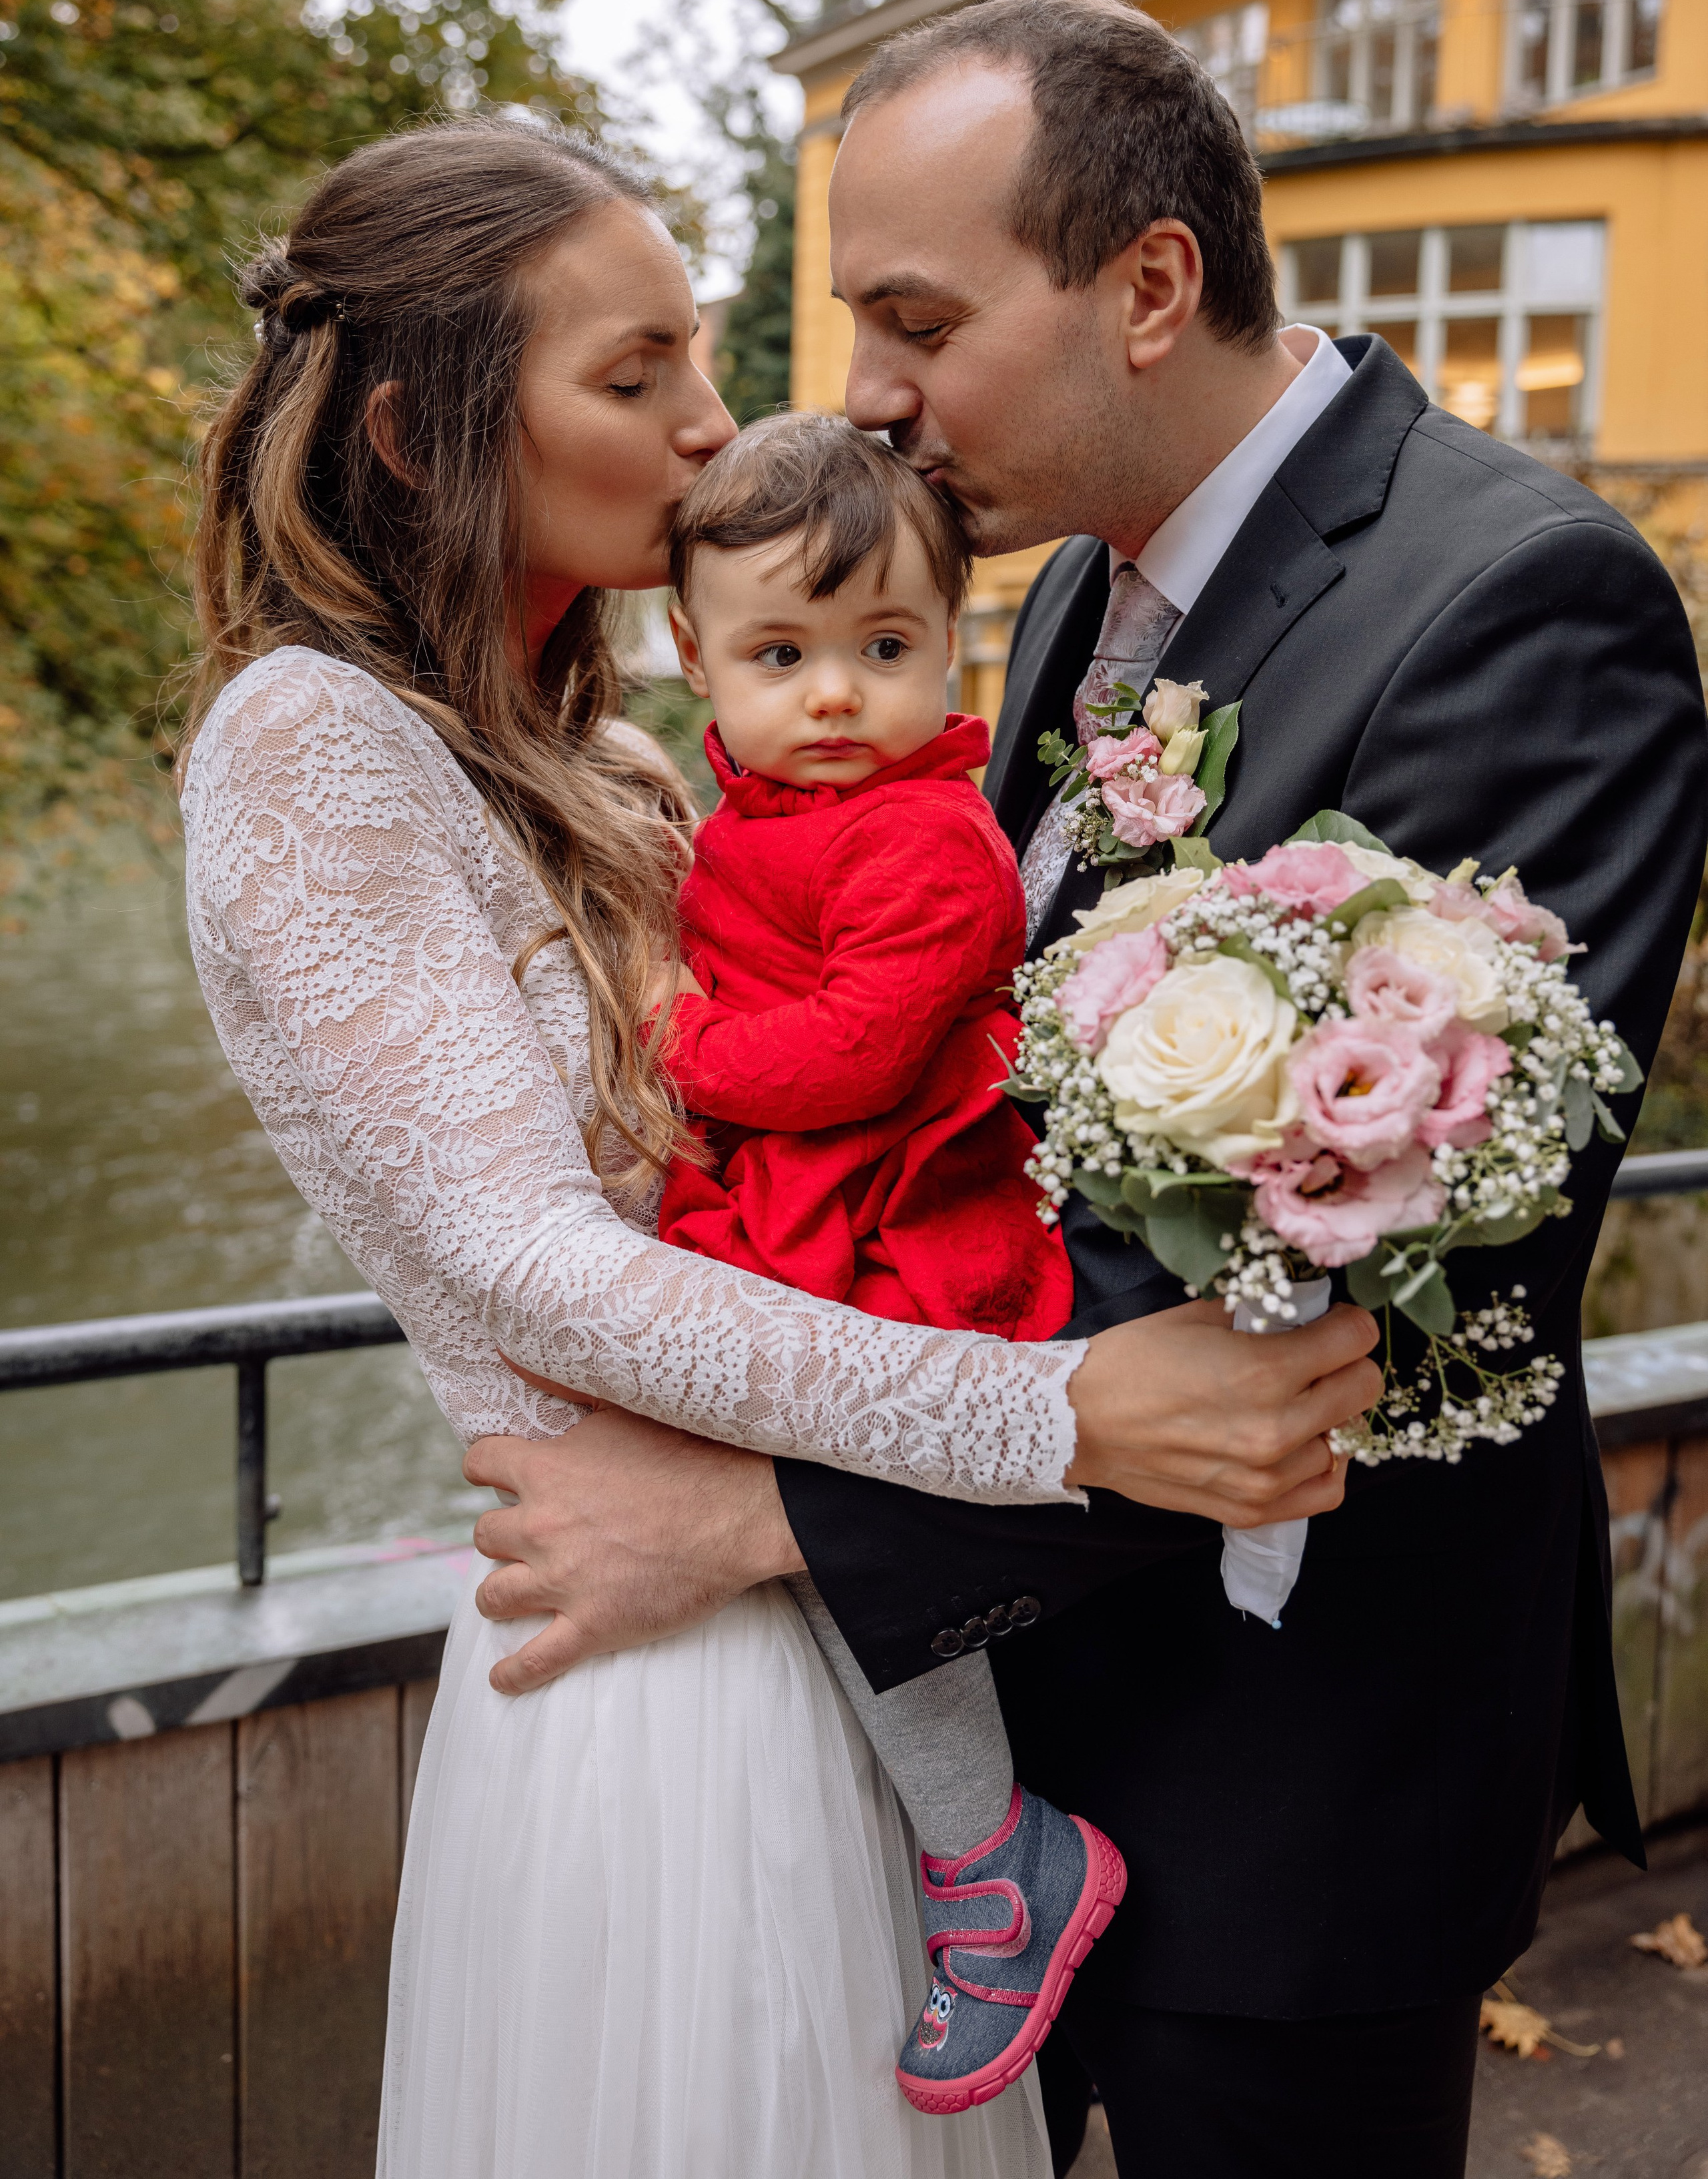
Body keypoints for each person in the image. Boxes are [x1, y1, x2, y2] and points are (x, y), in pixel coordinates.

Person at [464, 0, 1708, 2179]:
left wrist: (765, 1520)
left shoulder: (1520, 598)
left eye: (915, 316)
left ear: (1149, 282)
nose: (860, 392)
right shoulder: (1051, 606)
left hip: (1299, 1765)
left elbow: (1408, 1284)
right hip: (1013, 1724)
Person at [176, 109, 1378, 2179]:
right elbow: (535, 1262)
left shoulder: (626, 752)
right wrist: (1059, 1404)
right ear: (413, 430)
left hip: (819, 1599)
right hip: (649, 1663)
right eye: (635, 375)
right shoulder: (309, 740)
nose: (719, 419)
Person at [661, 412, 1116, 2112]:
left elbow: (854, 1052)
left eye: (883, 648)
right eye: (781, 654)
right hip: (798, 1205)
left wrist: (679, 1053)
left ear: (951, 648)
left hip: (896, 1219)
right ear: (695, 656)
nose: (834, 694)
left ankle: (1001, 1855)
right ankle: (947, 1848)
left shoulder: (924, 836)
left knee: (860, 1548)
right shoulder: (753, 812)